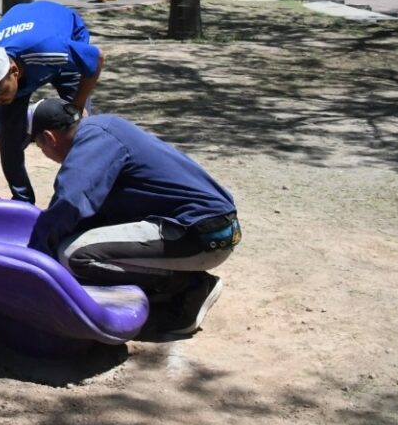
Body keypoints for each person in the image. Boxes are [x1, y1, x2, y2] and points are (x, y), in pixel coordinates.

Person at [24, 99, 241, 337]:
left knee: (74, 255)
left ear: (49, 138)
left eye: (38, 145)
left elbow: (69, 202)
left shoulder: (93, 142)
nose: (44, 153)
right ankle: (162, 290)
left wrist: (35, 256)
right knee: (80, 238)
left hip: (201, 233)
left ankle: (191, 287)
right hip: (210, 228)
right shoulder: (104, 127)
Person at [0, 1, 103, 203]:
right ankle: (23, 200)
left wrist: (78, 106)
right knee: (9, 135)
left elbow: (97, 58)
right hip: (28, 57)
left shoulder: (51, 51)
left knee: (79, 130)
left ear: (14, 71)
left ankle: (80, 199)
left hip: (63, 41)